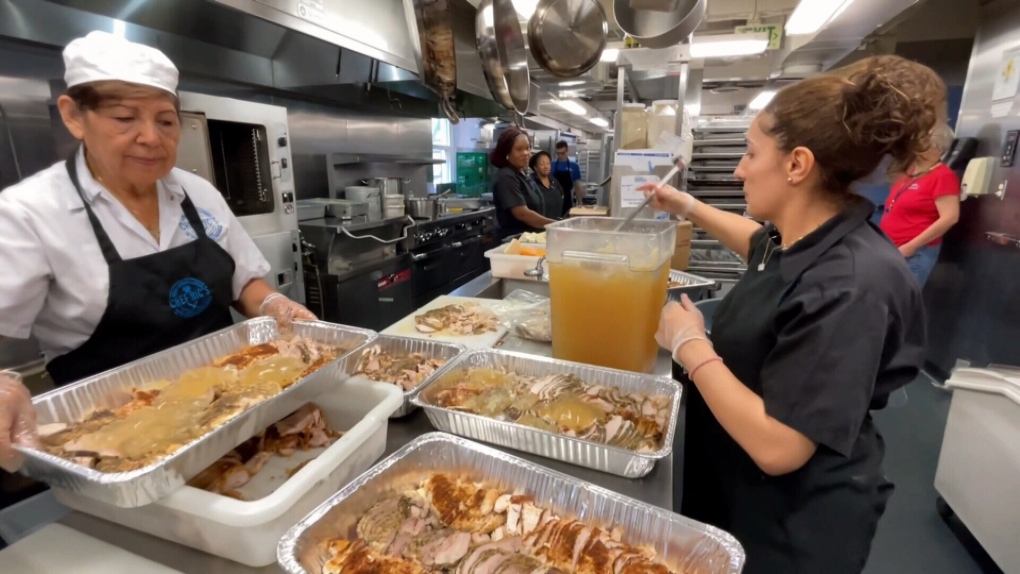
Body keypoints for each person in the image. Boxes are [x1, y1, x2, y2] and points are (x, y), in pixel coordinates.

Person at [640, 59, 929, 573]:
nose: (739, 170)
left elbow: (780, 446)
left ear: (797, 164)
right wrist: (685, 205)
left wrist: (691, 344)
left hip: (794, 522)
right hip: (740, 485)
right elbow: (755, 242)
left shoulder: (850, 285)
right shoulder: (801, 236)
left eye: (751, 154)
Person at [0, 32, 314, 472]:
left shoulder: (198, 193)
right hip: (120, 435)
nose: (151, 137)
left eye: (166, 121)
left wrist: (276, 304)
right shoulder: (29, 214)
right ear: (74, 116)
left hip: (235, 404)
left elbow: (245, 280)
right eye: (125, 118)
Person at [879, 122, 960, 286]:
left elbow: (950, 217)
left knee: (899, 305)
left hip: (913, 253)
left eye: (923, 144)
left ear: (938, 149)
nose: (916, 148)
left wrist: (911, 246)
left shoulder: (943, 176)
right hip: (889, 247)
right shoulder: (909, 171)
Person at [491, 128, 555, 242]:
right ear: (507, 153)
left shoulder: (521, 174)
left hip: (528, 240)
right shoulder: (506, 177)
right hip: (513, 242)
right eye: (519, 149)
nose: (525, 153)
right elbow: (522, 214)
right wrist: (555, 225)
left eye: (527, 148)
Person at [529, 151, 567, 218]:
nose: (546, 166)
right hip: (538, 225)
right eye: (542, 164)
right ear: (535, 167)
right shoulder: (530, 182)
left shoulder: (554, 181)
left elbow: (562, 193)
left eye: (548, 163)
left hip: (556, 222)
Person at [551, 140, 585, 208]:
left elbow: (577, 186)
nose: (560, 155)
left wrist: (580, 204)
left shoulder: (574, 166)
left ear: (567, 151)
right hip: (553, 199)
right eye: (558, 153)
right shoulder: (551, 165)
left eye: (562, 153)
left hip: (568, 200)